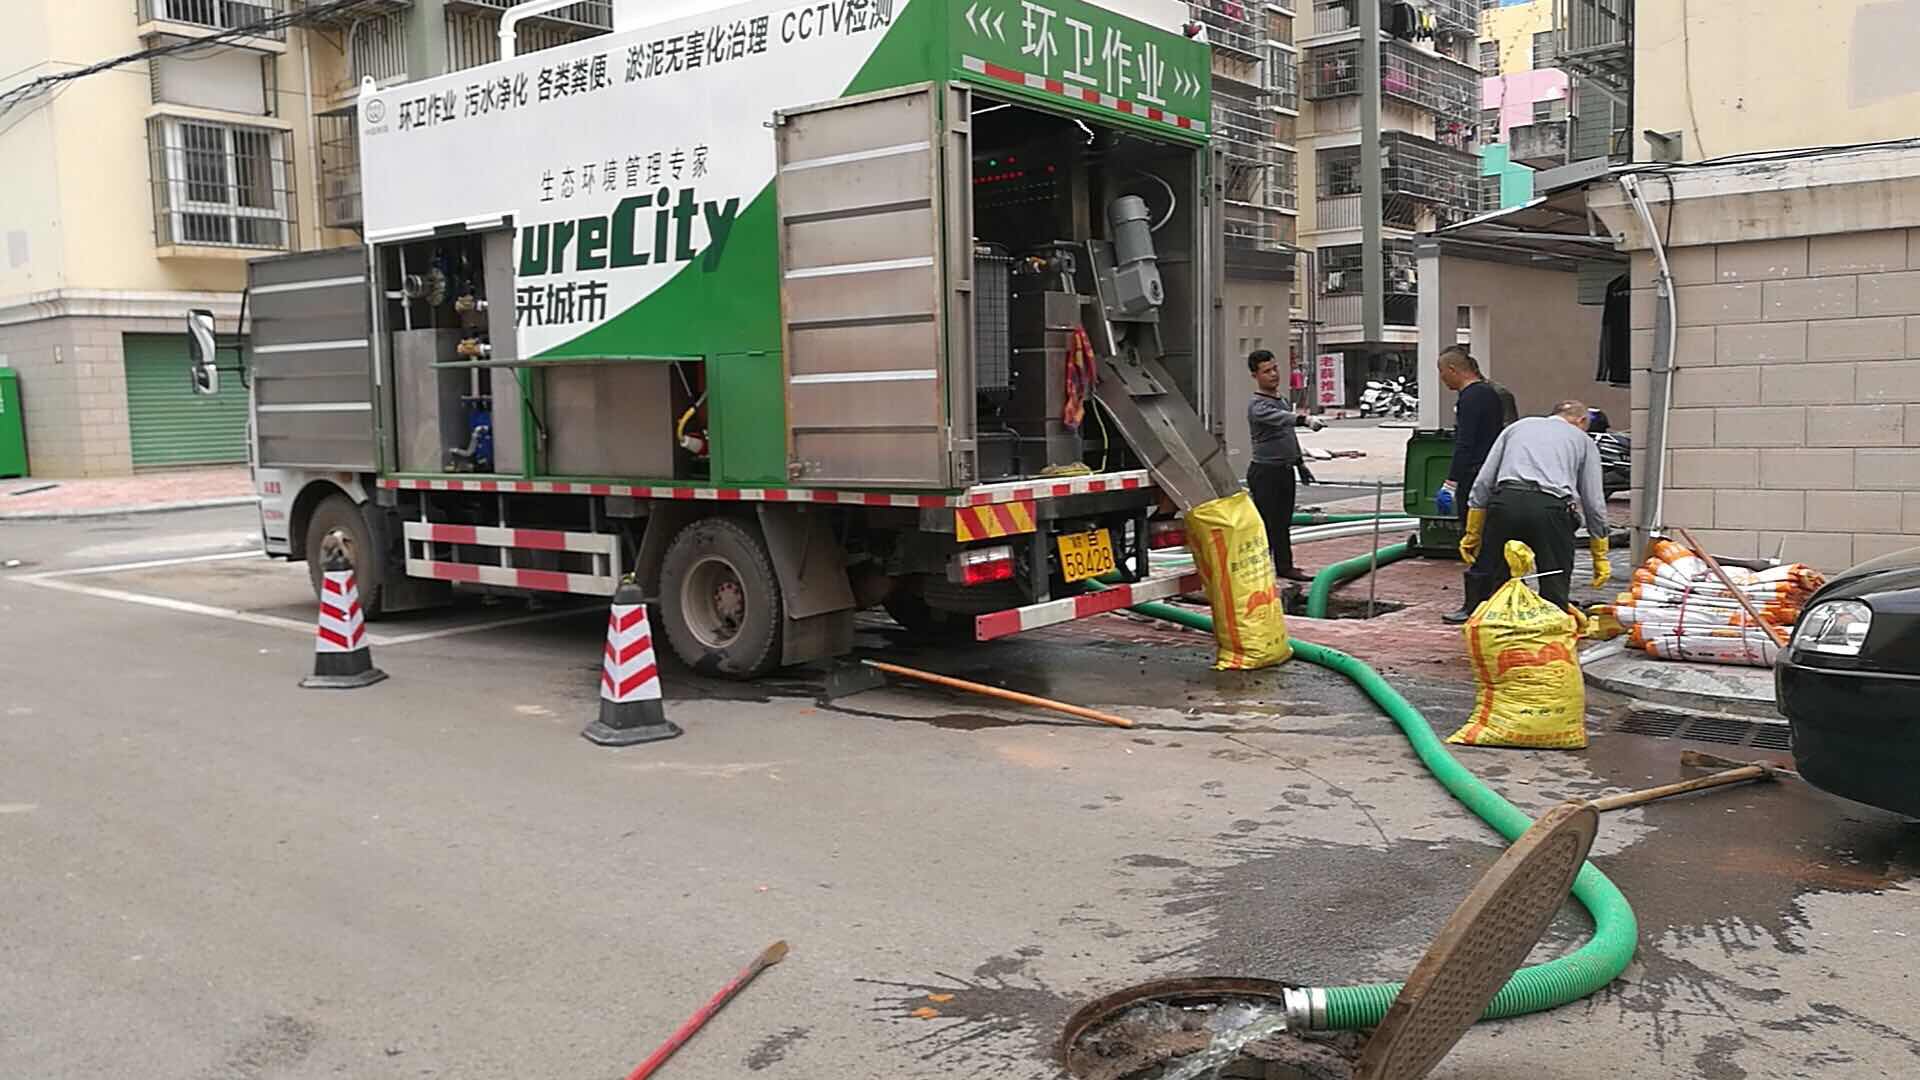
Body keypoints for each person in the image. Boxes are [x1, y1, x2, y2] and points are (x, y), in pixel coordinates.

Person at [1460, 400, 1612, 613]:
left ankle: (1477, 613)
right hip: (1551, 508)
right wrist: (1600, 551)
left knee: (1495, 568)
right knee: (1553, 573)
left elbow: (1484, 480)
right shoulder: (1583, 440)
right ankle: (1551, 619)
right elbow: (1593, 500)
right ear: (1582, 420)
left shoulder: (1517, 427)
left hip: (1506, 502)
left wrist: (1473, 530)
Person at [1435, 347, 1513, 623]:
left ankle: (1475, 603)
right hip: (1493, 473)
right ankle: (1503, 596)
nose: (1442, 379)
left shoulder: (1470, 397)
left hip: (1475, 476)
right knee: (1493, 537)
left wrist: (1451, 482)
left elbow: (1465, 443)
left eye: (1442, 372)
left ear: (1453, 370)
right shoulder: (1491, 393)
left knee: (1474, 537)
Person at [1246, 348, 1324, 583]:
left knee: (1282, 522)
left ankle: (1284, 566)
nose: (1273, 374)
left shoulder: (1279, 400)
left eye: (1275, 368)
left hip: (1284, 470)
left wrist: (1300, 463)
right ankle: (1258, 572)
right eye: (1266, 371)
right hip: (1265, 472)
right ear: (1255, 375)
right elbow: (1283, 420)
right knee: (1266, 524)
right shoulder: (1257, 405)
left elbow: (1287, 435)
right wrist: (1304, 419)